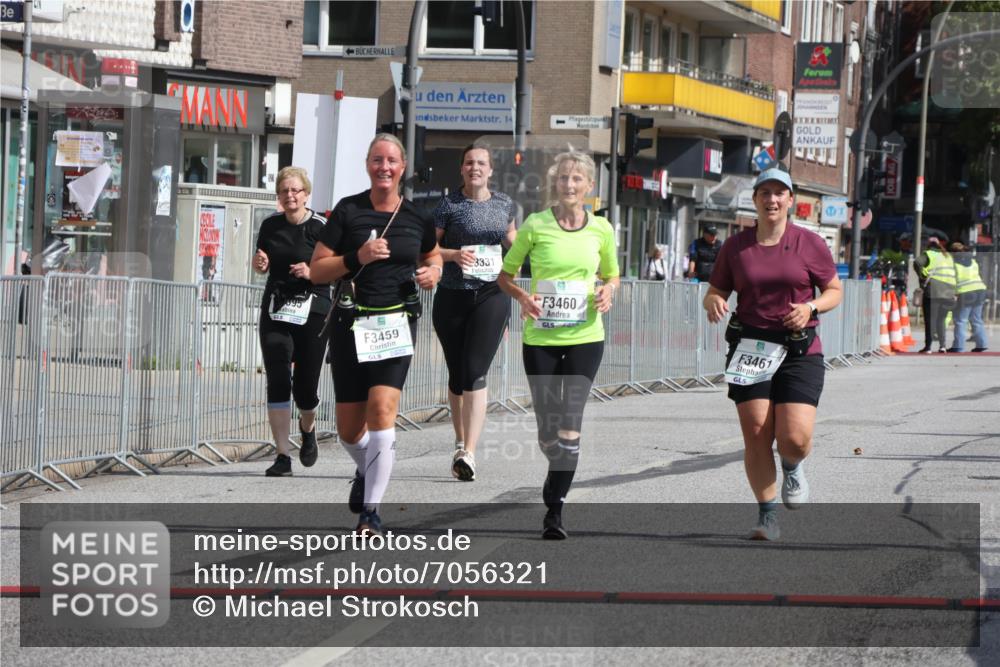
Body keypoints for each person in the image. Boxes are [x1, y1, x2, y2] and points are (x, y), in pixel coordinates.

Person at [310, 133, 442, 535]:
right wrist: (357, 257)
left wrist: (433, 271)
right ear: (368, 165)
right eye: (376, 160)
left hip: (396, 324)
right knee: (349, 430)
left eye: (391, 161)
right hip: (350, 324)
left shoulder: (418, 216)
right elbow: (317, 269)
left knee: (382, 410)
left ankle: (371, 512)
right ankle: (368, 467)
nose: (384, 167)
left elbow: (432, 254)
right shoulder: (348, 212)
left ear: (403, 168)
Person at [703, 168, 842, 541]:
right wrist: (714, 301)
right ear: (755, 201)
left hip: (799, 348)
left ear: (790, 200)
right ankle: (767, 516)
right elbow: (716, 290)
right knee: (757, 434)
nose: (772, 200)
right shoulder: (736, 246)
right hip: (750, 348)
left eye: (779, 193)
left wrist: (811, 307)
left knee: (794, 437)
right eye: (765, 193)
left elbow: (834, 290)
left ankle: (793, 465)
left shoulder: (810, 243)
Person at [497, 150, 620, 540]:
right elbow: (505, 276)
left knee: (571, 424)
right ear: (555, 184)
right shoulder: (536, 225)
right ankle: (555, 462)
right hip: (541, 338)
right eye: (564, 178)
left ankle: (555, 510)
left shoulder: (602, 229)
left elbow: (613, 275)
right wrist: (521, 297)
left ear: (588, 187)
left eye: (577, 179)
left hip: (585, 335)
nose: (569, 185)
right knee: (549, 430)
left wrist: (608, 292)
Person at [432, 144, 517, 481]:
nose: (475, 168)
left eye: (481, 162)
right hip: (453, 295)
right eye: (469, 163)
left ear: (491, 170)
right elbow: (430, 250)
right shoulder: (448, 205)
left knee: (474, 370)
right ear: (462, 169)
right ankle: (459, 439)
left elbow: (514, 240)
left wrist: (535, 257)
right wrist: (452, 255)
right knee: (457, 375)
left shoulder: (504, 204)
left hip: (492, 294)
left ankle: (469, 451)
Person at [253, 166, 331, 477]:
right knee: (278, 377)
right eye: (285, 191)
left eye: (296, 190)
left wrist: (313, 272)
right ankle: (282, 455)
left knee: (306, 388)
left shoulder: (321, 227)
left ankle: (308, 428)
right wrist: (260, 265)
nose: (290, 196)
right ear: (279, 197)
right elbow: (261, 264)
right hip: (277, 307)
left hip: (313, 309)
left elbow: (336, 268)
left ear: (306, 194)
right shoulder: (270, 226)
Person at [914, 235, 956, 353]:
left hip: (933, 292)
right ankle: (942, 346)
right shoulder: (947, 256)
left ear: (928, 246)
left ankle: (928, 347)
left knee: (930, 320)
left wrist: (923, 275)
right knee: (941, 320)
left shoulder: (928, 254)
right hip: (948, 293)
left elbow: (917, 263)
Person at [948, 242, 989, 352]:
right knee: (976, 319)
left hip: (966, 293)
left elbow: (952, 280)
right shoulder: (973, 261)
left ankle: (958, 346)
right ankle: (982, 344)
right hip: (980, 290)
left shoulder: (953, 264)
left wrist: (953, 293)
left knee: (961, 320)